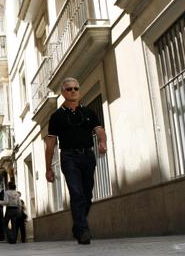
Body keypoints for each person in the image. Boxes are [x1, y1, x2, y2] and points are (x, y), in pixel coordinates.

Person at [45, 77, 107, 245]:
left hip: (87, 155)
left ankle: (78, 226)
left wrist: (102, 142)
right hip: (68, 157)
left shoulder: (88, 113)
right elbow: (50, 143)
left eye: (75, 88)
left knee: (87, 195)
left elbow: (99, 130)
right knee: (76, 193)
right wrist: (48, 168)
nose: (73, 91)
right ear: (63, 93)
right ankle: (83, 230)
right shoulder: (57, 116)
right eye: (69, 89)